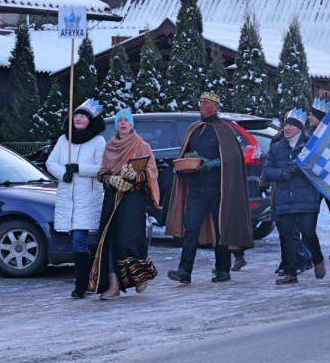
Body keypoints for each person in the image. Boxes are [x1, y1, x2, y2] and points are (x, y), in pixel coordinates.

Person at [167, 92, 253, 284]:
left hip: (219, 189)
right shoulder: (194, 128)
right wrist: (190, 158)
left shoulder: (225, 130)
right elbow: (187, 152)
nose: (201, 106)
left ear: (216, 107)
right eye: (200, 102)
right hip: (196, 189)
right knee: (191, 228)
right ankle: (184, 270)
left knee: (221, 228)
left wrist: (213, 163)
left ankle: (223, 269)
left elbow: (233, 158)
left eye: (206, 103)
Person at [92, 107, 160, 299]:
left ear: (131, 125)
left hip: (132, 199)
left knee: (127, 240)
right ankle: (113, 286)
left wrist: (137, 176)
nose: (123, 123)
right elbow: (102, 171)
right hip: (112, 199)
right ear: (116, 125)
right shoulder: (109, 147)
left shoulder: (142, 146)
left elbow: (152, 172)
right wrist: (110, 179)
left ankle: (141, 276)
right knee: (110, 240)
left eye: (126, 120)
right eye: (119, 121)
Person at [46, 99, 106, 299]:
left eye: (83, 116)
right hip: (68, 198)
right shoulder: (64, 140)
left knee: (79, 238)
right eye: (76, 115)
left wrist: (79, 168)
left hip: (87, 198)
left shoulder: (98, 141)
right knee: (75, 240)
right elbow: (51, 162)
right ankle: (88, 280)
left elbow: (102, 168)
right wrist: (63, 173)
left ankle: (81, 284)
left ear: (91, 120)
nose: (78, 118)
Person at [263, 109, 326, 284]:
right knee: (286, 237)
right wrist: (282, 174)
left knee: (308, 233)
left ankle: (318, 260)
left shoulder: (311, 146)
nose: (287, 128)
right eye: (286, 125)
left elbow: (321, 169)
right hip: (284, 199)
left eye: (291, 125)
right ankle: (291, 273)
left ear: (300, 128)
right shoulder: (276, 148)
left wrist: (302, 170)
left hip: (306, 198)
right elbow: (267, 171)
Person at [306, 97, 330, 259]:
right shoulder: (308, 134)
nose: (309, 117)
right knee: (310, 214)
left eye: (312, 114)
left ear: (320, 117)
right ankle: (309, 248)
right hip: (314, 180)